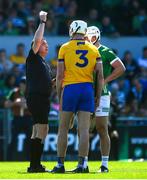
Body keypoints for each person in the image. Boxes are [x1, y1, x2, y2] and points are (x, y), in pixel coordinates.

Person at [51, 20, 104, 173]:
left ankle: (60, 165)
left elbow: (60, 76)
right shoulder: (93, 49)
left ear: (73, 30)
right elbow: (100, 76)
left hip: (70, 89)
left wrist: (59, 94)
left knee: (63, 129)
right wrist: (98, 96)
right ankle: (83, 165)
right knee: (84, 130)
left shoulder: (65, 48)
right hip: (87, 89)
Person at [86, 26, 125, 172]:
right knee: (84, 130)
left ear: (96, 37)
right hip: (86, 93)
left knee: (102, 128)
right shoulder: (84, 50)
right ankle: (83, 163)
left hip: (102, 94)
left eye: (91, 36)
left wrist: (105, 80)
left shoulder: (105, 51)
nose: (89, 38)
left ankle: (104, 165)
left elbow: (121, 68)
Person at [25, 11, 52, 173]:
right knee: (42, 129)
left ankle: (34, 165)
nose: (45, 45)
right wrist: (42, 22)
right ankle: (35, 166)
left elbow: (47, 83)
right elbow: (37, 40)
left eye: (46, 44)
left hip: (40, 98)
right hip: (37, 98)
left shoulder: (43, 63)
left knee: (39, 131)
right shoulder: (33, 57)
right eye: (43, 43)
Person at [4, 76, 32, 160]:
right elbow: (6, 104)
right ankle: (8, 159)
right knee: (13, 139)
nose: (24, 86)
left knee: (29, 141)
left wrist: (27, 106)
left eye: (25, 84)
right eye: (22, 84)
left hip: (28, 118)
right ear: (20, 84)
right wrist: (16, 103)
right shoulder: (14, 92)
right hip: (17, 118)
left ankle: (30, 160)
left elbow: (35, 106)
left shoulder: (31, 93)